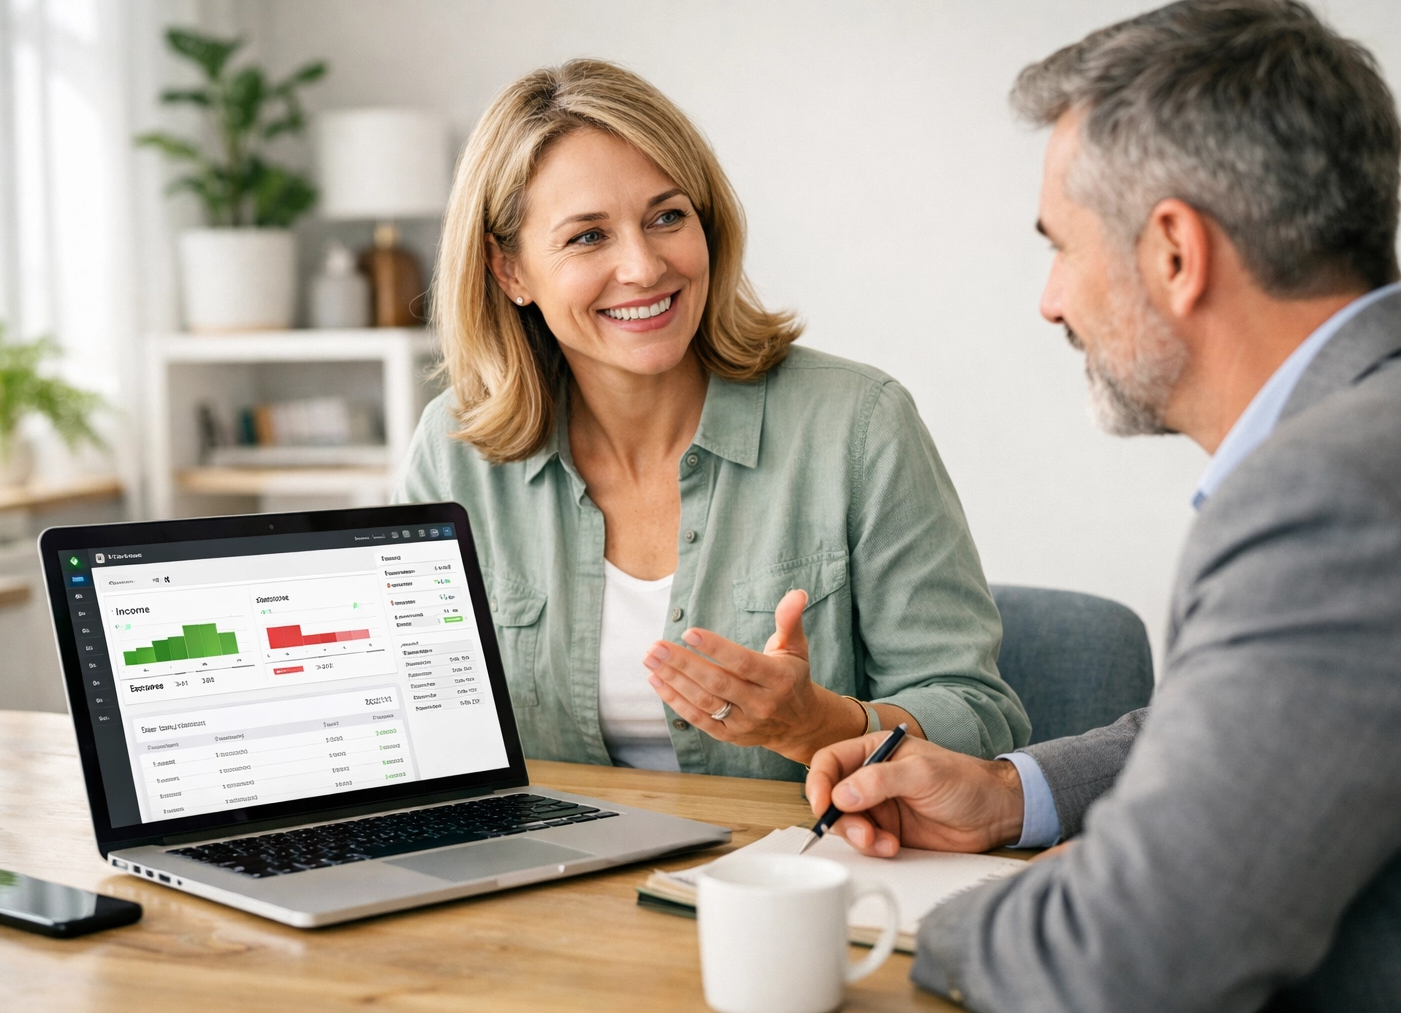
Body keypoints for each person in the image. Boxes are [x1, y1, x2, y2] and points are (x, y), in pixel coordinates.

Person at [805, 0, 1401, 1010]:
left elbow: (1114, 964)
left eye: (1060, 244)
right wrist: (1007, 797)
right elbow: (1268, 724)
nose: (1049, 299)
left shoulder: (1333, 503)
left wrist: (953, 909)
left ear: (1175, 252)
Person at [398, 59, 1028, 781]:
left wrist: (820, 722)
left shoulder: (858, 424)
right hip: (552, 877)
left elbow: (979, 716)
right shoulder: (454, 453)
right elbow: (417, 730)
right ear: (509, 272)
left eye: (667, 217)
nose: (643, 267)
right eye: (587, 237)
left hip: (790, 873)